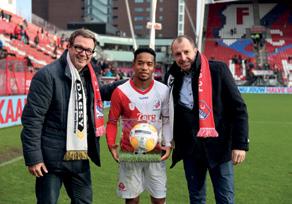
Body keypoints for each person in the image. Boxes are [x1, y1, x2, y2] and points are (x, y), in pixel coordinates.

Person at [21, 29, 124, 204]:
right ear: (68, 46)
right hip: (51, 160)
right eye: (79, 48)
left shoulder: (88, 75)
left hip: (79, 157)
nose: (83, 53)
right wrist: (34, 158)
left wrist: (130, 82)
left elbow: (101, 93)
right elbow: (32, 120)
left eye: (88, 50)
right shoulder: (47, 75)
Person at [165, 35, 249, 204]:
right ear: (173, 56)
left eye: (186, 52)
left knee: (225, 199)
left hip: (219, 148)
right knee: (196, 199)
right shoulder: (171, 76)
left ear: (195, 50)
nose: (183, 58)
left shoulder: (217, 70)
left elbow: (239, 109)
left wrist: (240, 145)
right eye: (178, 54)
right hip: (190, 150)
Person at [106, 47, 172, 204]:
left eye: (149, 64)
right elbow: (112, 122)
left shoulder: (163, 91)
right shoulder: (120, 91)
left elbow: (167, 120)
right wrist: (110, 144)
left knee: (158, 199)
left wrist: (168, 144)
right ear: (133, 64)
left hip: (156, 152)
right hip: (130, 152)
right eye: (140, 63)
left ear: (154, 66)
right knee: (132, 200)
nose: (144, 67)